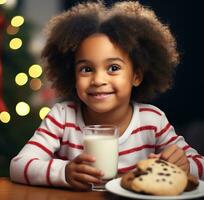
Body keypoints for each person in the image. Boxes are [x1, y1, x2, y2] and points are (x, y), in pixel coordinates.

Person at [10, 1, 204, 190]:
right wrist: (65, 173)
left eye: (113, 68)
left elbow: (199, 164)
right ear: (72, 74)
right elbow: (19, 165)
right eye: (86, 69)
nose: (98, 80)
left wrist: (186, 165)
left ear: (136, 75)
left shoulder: (152, 121)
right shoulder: (62, 117)